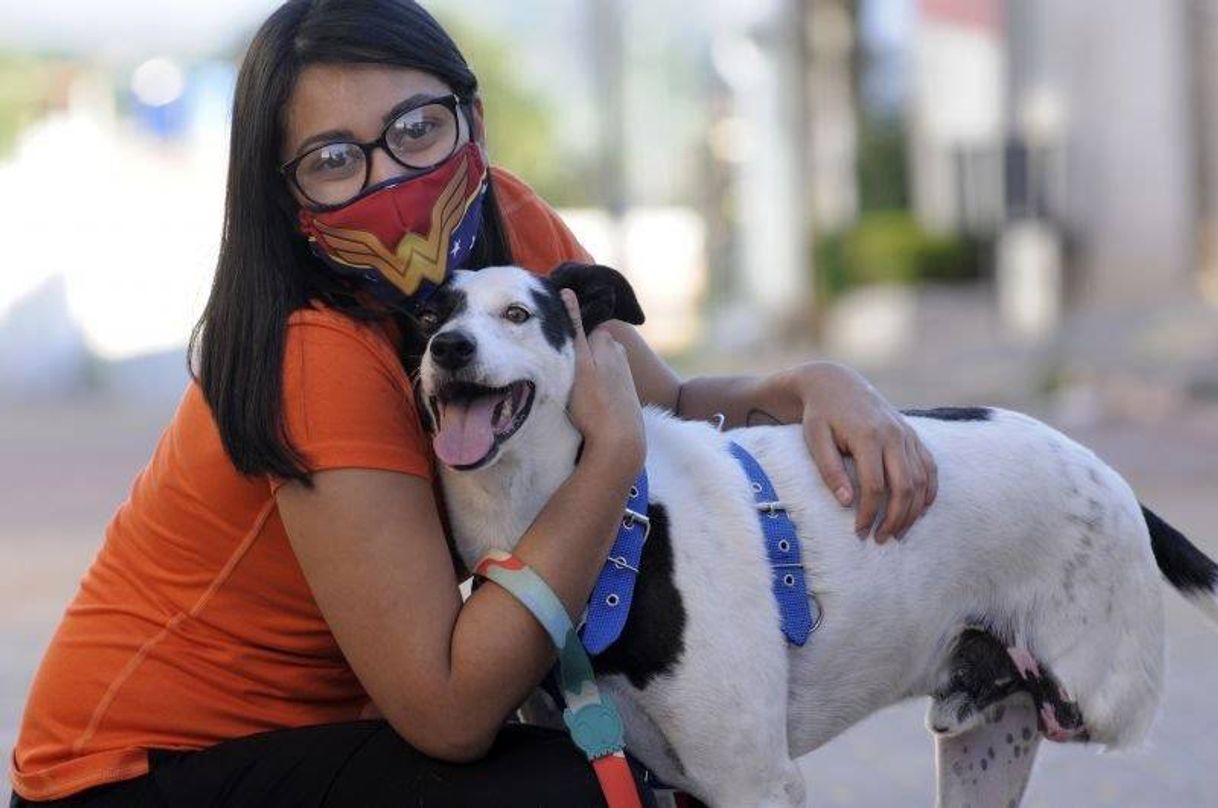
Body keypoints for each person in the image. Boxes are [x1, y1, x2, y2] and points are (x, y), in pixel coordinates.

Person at [7, 1, 938, 805]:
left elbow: (670, 401)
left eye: (415, 129)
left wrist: (814, 384)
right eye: (335, 160)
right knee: (591, 786)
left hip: (326, 737)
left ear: (470, 119)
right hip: (135, 776)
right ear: (286, 197)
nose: (391, 183)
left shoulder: (505, 229)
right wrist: (610, 465)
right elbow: (450, 710)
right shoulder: (318, 353)